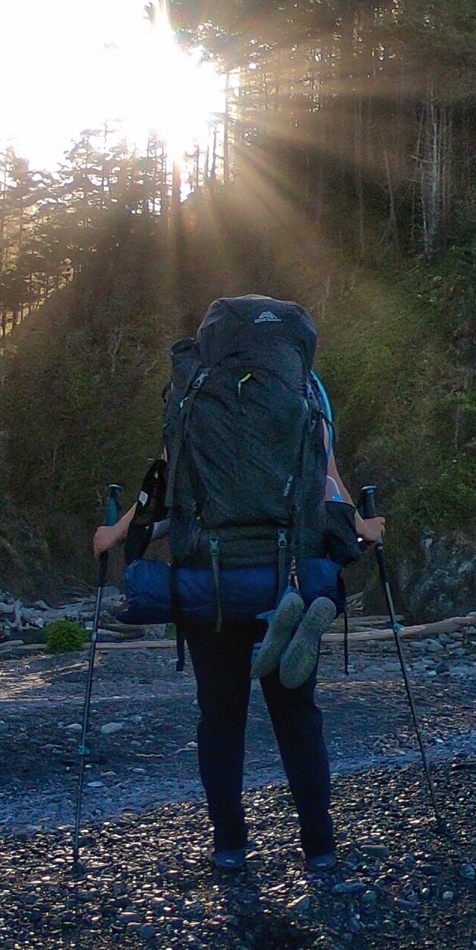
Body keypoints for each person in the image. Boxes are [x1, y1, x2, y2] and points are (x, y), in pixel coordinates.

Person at [95, 302, 386, 876]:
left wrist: (115, 532)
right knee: (297, 712)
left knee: (220, 716)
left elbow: (165, 482)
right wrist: (363, 526)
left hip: (211, 581)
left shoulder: (195, 390)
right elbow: (324, 477)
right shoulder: (304, 387)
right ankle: (320, 848)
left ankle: (230, 845)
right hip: (287, 574)